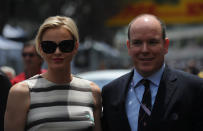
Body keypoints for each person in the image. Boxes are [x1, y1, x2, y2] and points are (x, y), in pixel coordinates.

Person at [102, 14, 203, 131]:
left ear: (165, 45)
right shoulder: (111, 92)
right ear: (129, 47)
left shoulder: (194, 89)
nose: (144, 50)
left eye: (152, 42)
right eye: (137, 43)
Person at [5, 16, 102, 131]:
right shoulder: (21, 92)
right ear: (40, 49)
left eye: (65, 45)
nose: (57, 52)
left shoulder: (92, 91)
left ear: (75, 47)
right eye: (49, 46)